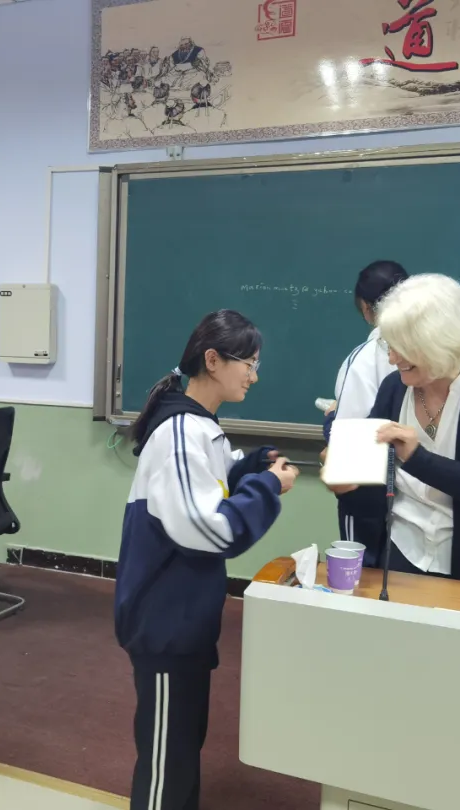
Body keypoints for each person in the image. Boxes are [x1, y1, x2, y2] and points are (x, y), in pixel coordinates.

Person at [114, 310, 299, 810]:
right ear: (213, 360)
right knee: (166, 765)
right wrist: (267, 487)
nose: (253, 376)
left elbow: (215, 483)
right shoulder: (180, 432)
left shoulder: (200, 427)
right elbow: (207, 529)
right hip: (165, 625)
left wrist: (254, 466)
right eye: (249, 364)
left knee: (180, 750)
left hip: (185, 619)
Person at [329, 274, 460, 590]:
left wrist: (419, 459)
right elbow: (373, 491)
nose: (392, 358)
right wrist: (346, 482)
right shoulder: (394, 388)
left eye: (402, 347)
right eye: (390, 345)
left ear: (438, 342)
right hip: (402, 556)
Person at [323, 260, 409, 564]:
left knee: (361, 571)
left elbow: (348, 442)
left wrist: (331, 421)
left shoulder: (364, 359)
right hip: (415, 490)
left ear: (366, 308)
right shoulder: (436, 355)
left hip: (367, 491)